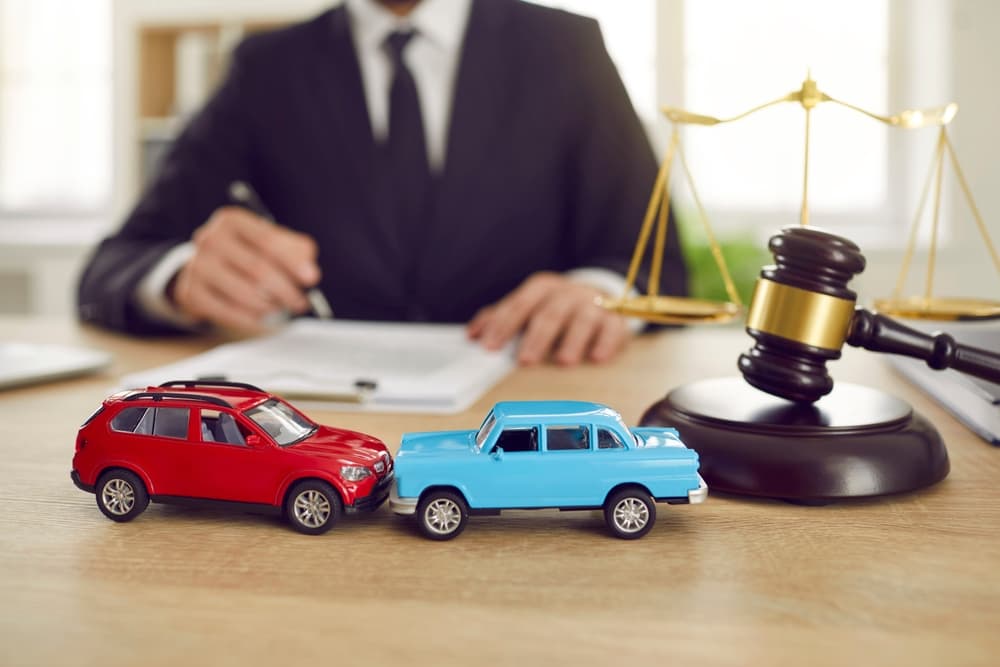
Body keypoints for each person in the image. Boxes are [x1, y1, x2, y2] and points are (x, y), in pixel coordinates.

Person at [77, 0, 687, 365]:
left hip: (531, 408)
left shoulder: (566, 48)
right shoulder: (266, 68)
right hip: (322, 428)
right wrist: (182, 277)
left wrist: (599, 292)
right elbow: (116, 265)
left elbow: (656, 263)